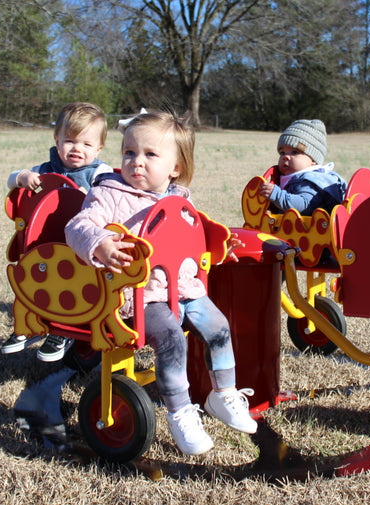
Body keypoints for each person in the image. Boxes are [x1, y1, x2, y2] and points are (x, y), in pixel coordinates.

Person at [64, 110, 257, 456]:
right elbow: (77, 226)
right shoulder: (108, 193)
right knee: (171, 339)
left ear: (175, 167)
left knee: (220, 329)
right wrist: (100, 243)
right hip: (140, 296)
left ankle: (223, 395)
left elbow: (196, 233)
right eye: (129, 152)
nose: (136, 162)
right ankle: (181, 412)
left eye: (150, 154)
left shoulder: (180, 199)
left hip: (185, 289)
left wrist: (220, 244)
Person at [2, 102, 113, 362]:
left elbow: (111, 197)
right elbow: (11, 180)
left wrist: (91, 197)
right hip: (44, 242)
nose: (77, 149)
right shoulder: (46, 169)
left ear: (98, 149)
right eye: (70, 141)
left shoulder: (99, 172)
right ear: (57, 139)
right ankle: (31, 323)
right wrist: (23, 177)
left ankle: (64, 331)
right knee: (38, 279)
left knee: (71, 284)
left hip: (79, 244)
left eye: (87, 144)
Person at [259, 119, 347, 216]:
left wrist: (276, 195)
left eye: (295, 152)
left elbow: (303, 205)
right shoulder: (292, 177)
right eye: (282, 153)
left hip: (309, 230)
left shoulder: (309, 181)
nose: (285, 157)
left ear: (313, 160)